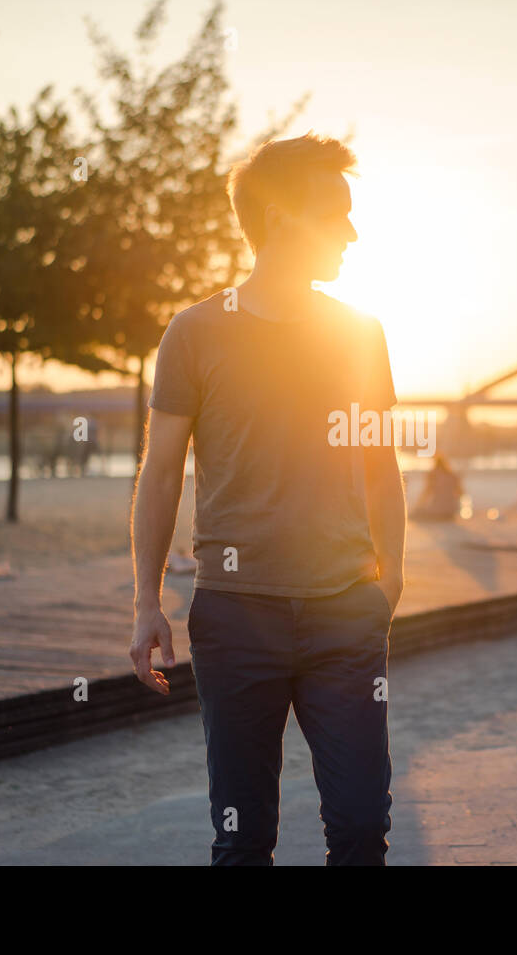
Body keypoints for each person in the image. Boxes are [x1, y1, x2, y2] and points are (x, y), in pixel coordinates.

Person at [129, 133, 405, 866]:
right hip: (234, 614)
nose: (351, 231)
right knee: (243, 837)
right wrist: (145, 600)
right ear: (282, 219)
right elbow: (160, 473)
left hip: (345, 613)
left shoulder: (360, 334)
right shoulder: (195, 332)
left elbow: (380, 464)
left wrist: (391, 582)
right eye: (335, 214)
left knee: (357, 828)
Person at [409, 452, 463, 521]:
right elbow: (461, 493)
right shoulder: (452, 475)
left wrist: (419, 505)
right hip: (451, 509)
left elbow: (426, 492)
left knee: (416, 514)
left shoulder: (433, 475)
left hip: (437, 509)